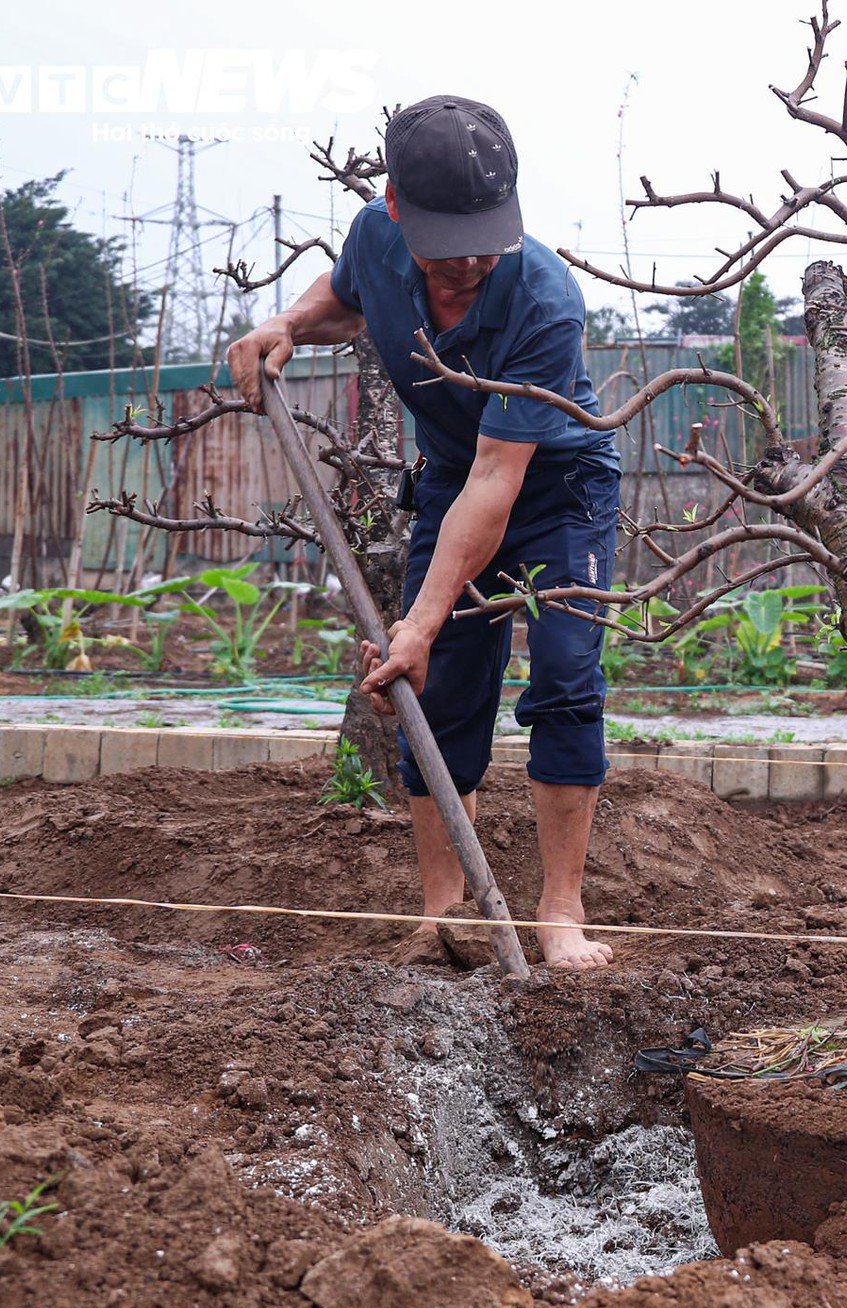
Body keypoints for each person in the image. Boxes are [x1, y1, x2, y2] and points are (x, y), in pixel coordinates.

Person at [230, 94, 617, 969]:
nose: (470, 262)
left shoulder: (545, 302)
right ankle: (450, 911)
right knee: (436, 691)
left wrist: (422, 616)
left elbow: (500, 478)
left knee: (564, 677)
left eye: (486, 239)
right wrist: (285, 324)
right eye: (447, 246)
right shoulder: (374, 235)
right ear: (397, 208)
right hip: (451, 475)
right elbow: (345, 295)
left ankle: (560, 909)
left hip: (556, 486)